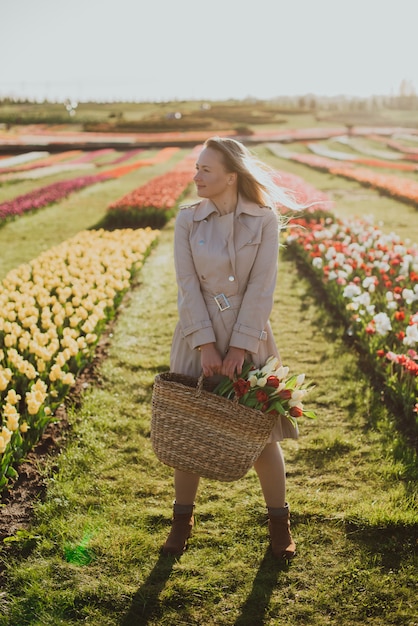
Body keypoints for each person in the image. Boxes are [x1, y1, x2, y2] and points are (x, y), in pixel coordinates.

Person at [162, 136, 300, 559]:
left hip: (250, 335)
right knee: (188, 430)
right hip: (195, 335)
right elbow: (186, 287)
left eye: (206, 169)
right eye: (197, 167)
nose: (196, 175)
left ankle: (280, 524)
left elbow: (262, 288)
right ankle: (181, 523)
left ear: (230, 176)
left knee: (261, 437)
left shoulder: (263, 221)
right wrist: (205, 344)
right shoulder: (188, 220)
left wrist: (240, 347)